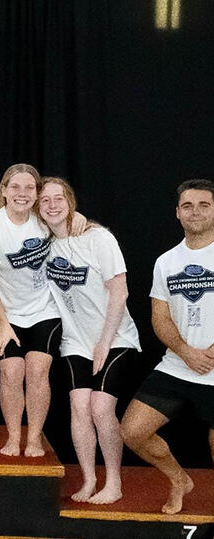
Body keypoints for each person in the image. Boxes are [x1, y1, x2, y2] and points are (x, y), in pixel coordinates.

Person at [39, 177, 139, 505]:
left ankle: (114, 482)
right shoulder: (44, 244)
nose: (52, 205)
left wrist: (104, 343)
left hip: (116, 336)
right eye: (45, 201)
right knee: (79, 406)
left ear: (71, 202)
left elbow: (120, 291)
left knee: (100, 407)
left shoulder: (98, 238)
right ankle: (89, 479)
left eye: (58, 198)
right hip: (76, 341)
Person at [121, 179, 214, 515]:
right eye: (188, 205)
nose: (196, 211)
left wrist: (209, 352)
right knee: (132, 431)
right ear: (177, 213)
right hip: (178, 365)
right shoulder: (166, 261)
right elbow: (159, 317)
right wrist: (186, 351)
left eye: (204, 204)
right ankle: (179, 479)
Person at [0, 164, 60, 458]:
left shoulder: (45, 218)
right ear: (4, 191)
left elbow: (76, 220)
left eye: (29, 188)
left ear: (37, 194)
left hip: (45, 311)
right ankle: (13, 436)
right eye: (16, 187)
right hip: (8, 314)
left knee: (37, 370)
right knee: (11, 372)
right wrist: (2, 323)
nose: (22, 194)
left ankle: (34, 437)